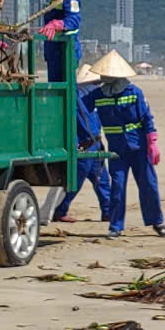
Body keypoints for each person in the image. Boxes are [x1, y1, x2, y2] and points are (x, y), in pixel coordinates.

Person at [87, 50, 165, 237]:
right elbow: (80, 108)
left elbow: (147, 118)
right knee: (118, 187)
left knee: (148, 185)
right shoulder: (98, 94)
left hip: (139, 147)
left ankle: (157, 222)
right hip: (117, 151)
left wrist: (152, 142)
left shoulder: (134, 92)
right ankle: (115, 227)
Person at [55, 64, 118, 226]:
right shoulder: (77, 100)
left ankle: (108, 211)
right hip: (83, 145)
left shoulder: (93, 99)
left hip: (95, 144)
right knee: (76, 181)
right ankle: (60, 210)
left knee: (102, 180)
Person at [27, 0, 82, 83]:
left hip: (66, 49)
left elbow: (74, 19)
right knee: (56, 88)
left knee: (68, 91)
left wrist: (57, 24)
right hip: (53, 50)